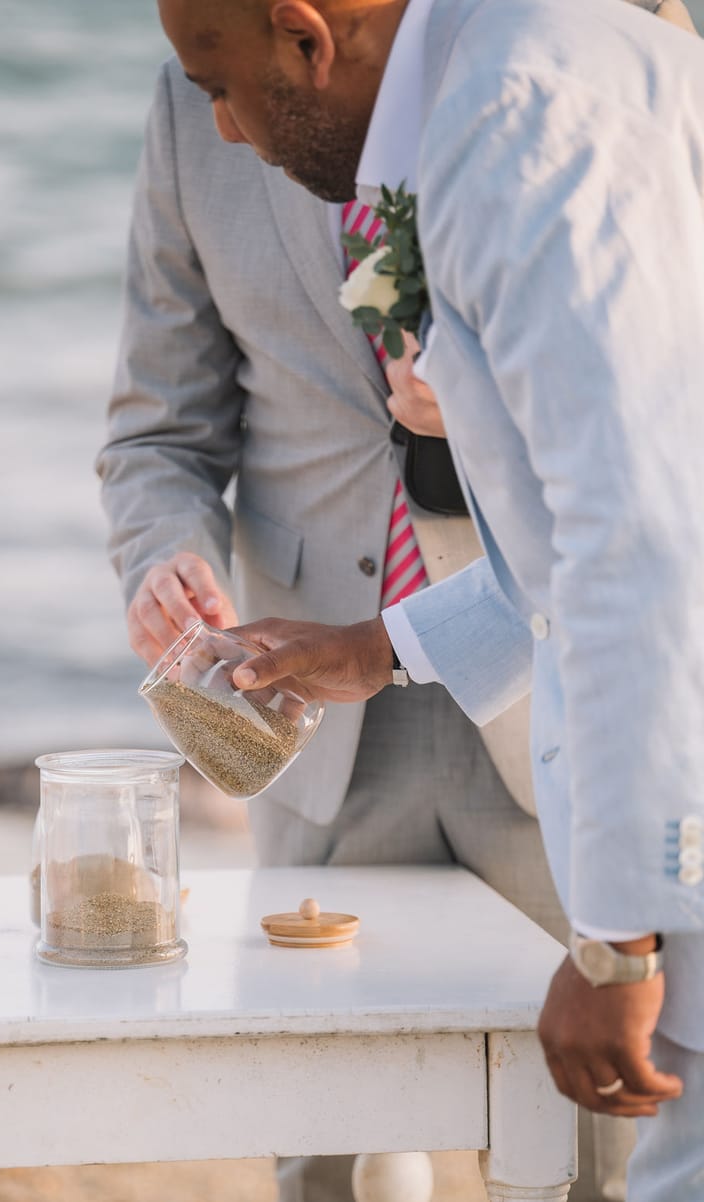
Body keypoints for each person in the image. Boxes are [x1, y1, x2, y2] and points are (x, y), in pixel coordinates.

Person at [155, 0, 704, 1197]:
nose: (229, 133)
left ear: (304, 38)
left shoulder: (513, 125)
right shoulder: (515, 67)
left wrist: (615, 945)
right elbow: (585, 543)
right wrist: (380, 645)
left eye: (222, 83)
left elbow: (634, 551)